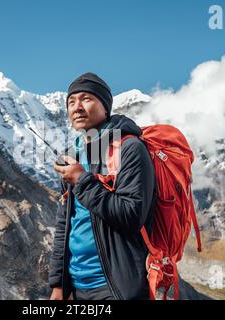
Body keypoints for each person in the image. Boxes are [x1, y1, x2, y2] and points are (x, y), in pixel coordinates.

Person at [49, 72, 156, 300]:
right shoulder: (72, 156)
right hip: (77, 285)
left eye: (86, 98)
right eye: (71, 101)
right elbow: (65, 224)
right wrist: (58, 284)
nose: (77, 107)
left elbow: (131, 215)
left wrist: (82, 181)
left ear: (105, 107)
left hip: (115, 288)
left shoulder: (129, 149)